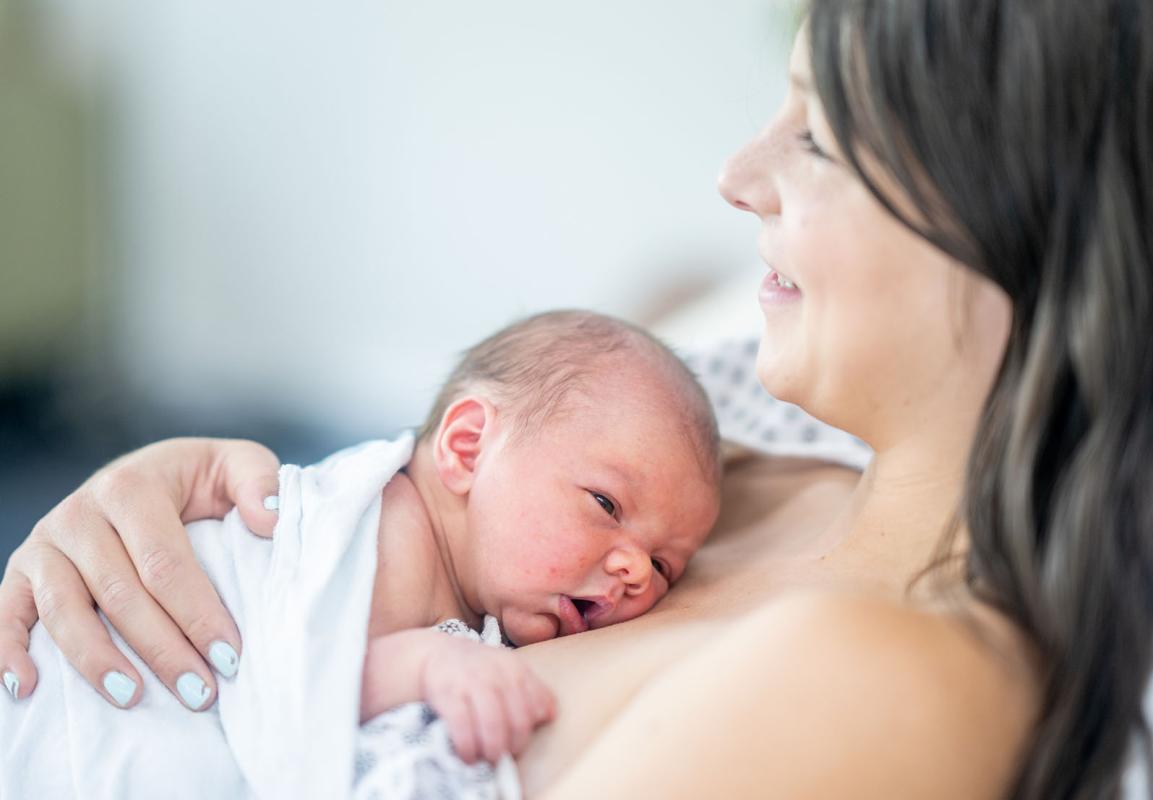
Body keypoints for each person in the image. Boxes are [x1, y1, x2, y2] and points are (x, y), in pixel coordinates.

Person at [3, 0, 1153, 797]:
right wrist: (169, 508)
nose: (738, 178)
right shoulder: (719, 448)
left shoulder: (893, 674)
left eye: (821, 140)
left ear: (1025, 229)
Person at [0, 310, 722, 797]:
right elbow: (300, 677)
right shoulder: (389, 527)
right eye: (605, 505)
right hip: (83, 693)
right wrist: (429, 662)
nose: (634, 569)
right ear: (467, 448)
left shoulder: (471, 583)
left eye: (665, 565)